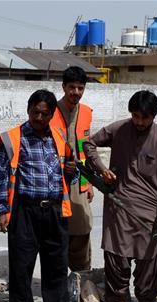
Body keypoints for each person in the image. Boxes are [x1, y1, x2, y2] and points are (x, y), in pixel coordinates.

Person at [83, 90, 157, 302]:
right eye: (135, 116)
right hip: (118, 208)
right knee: (116, 257)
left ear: (154, 116)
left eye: (144, 118)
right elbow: (88, 144)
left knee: (148, 261)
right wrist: (101, 168)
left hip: (150, 213)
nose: (139, 122)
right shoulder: (119, 129)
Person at [0, 89, 77, 302]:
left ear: (51, 115)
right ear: (28, 110)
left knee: (57, 263)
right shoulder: (13, 139)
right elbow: (0, 176)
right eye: (35, 112)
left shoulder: (59, 138)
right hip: (24, 210)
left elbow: (71, 172)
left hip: (55, 210)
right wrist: (0, 211)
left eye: (44, 114)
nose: (39, 118)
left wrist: (72, 172)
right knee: (21, 262)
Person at [50, 66, 94, 272]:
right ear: (63, 87)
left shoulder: (86, 112)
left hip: (79, 182)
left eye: (80, 88)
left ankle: (81, 278)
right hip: (54, 182)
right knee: (56, 234)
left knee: (82, 230)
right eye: (72, 87)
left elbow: (87, 150)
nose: (76, 92)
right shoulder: (50, 111)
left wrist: (91, 183)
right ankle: (57, 279)